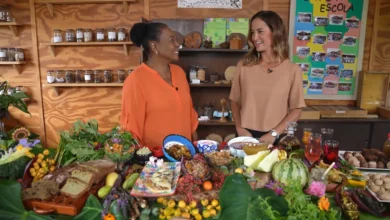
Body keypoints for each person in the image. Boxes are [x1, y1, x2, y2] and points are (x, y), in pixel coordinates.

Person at [229, 10, 305, 145]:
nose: (254, 37)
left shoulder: (292, 70)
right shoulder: (244, 66)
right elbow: (234, 101)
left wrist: (273, 134)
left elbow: (296, 110)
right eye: (252, 32)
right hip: (245, 135)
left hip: (277, 137)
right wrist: (239, 128)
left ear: (275, 32)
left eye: (260, 31)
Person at [120, 22, 198, 147]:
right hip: (156, 162)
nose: (178, 44)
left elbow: (190, 113)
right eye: (172, 40)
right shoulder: (136, 80)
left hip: (185, 156)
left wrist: (195, 148)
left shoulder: (179, 73)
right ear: (154, 46)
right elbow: (131, 130)